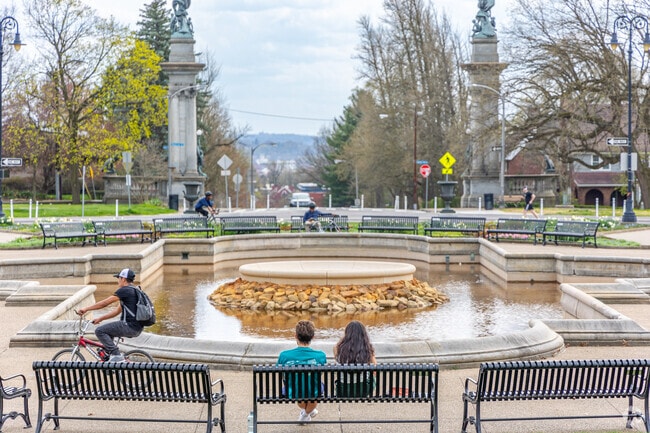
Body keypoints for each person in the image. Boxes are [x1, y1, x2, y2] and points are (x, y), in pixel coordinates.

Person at [76, 269, 144, 362]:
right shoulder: (134, 290)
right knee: (108, 332)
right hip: (136, 328)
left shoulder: (124, 291)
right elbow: (116, 311)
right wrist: (100, 318)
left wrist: (86, 309)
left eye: (118, 278)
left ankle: (116, 355)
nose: (118, 281)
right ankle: (110, 361)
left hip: (128, 325)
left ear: (123, 279)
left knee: (100, 331)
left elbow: (104, 303)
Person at [277, 320, 327, 424]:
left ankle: (305, 414)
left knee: (298, 388)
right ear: (312, 337)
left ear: (295, 336)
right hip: (314, 390)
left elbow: (281, 373)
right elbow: (320, 373)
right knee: (312, 387)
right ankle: (307, 413)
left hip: (293, 391)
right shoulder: (320, 356)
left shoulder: (284, 355)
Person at [334, 321, 376, 397]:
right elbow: (375, 368)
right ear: (363, 334)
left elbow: (337, 364)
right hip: (364, 389)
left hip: (343, 390)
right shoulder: (367, 349)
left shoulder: (338, 348)